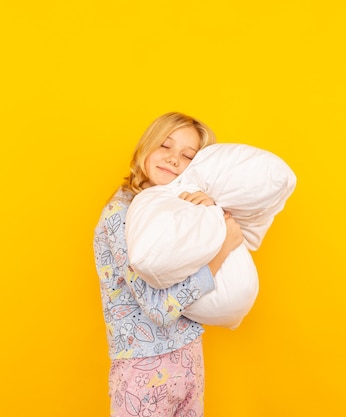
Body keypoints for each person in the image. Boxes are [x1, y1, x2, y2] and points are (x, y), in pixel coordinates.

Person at [93, 112, 243, 417]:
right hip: (142, 368)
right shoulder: (121, 215)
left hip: (189, 357)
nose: (174, 159)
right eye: (165, 145)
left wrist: (208, 217)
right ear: (146, 147)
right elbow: (159, 309)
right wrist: (223, 247)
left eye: (188, 155)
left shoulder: (178, 209)